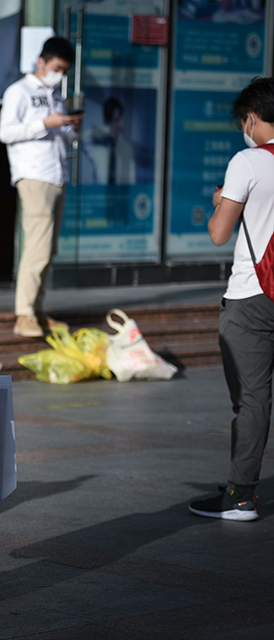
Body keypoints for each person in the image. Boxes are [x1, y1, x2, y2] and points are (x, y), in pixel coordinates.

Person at [189, 76, 274, 522]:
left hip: (254, 295)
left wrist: (224, 202)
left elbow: (220, 233)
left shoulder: (249, 161)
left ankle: (241, 496)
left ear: (252, 118)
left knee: (253, 398)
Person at [0, 37, 81, 338]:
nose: (60, 74)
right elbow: (5, 132)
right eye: (57, 68)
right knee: (38, 246)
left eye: (64, 70)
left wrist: (71, 130)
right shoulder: (18, 91)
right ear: (41, 62)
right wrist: (45, 122)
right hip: (33, 176)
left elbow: (61, 138)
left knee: (49, 248)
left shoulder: (56, 96)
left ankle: (37, 311)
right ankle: (24, 315)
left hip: (57, 175)